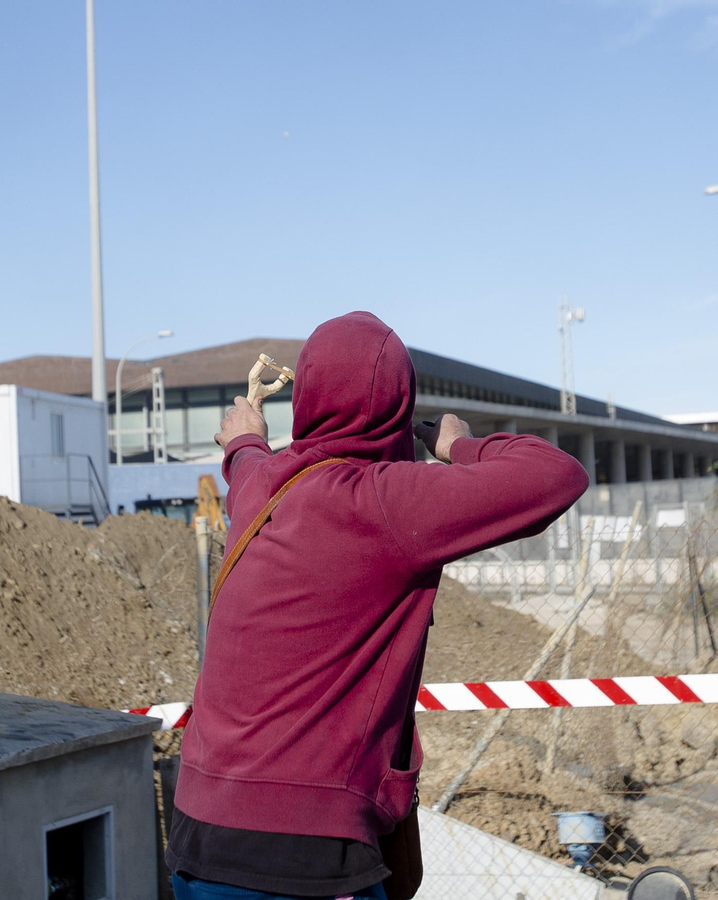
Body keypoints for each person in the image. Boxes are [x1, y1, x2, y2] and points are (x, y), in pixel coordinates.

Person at [165, 312, 589, 900]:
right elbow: (556, 475)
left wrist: (244, 435)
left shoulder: (265, 485)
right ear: (397, 401)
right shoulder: (387, 502)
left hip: (197, 836)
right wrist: (456, 443)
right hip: (301, 857)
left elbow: (244, 466)